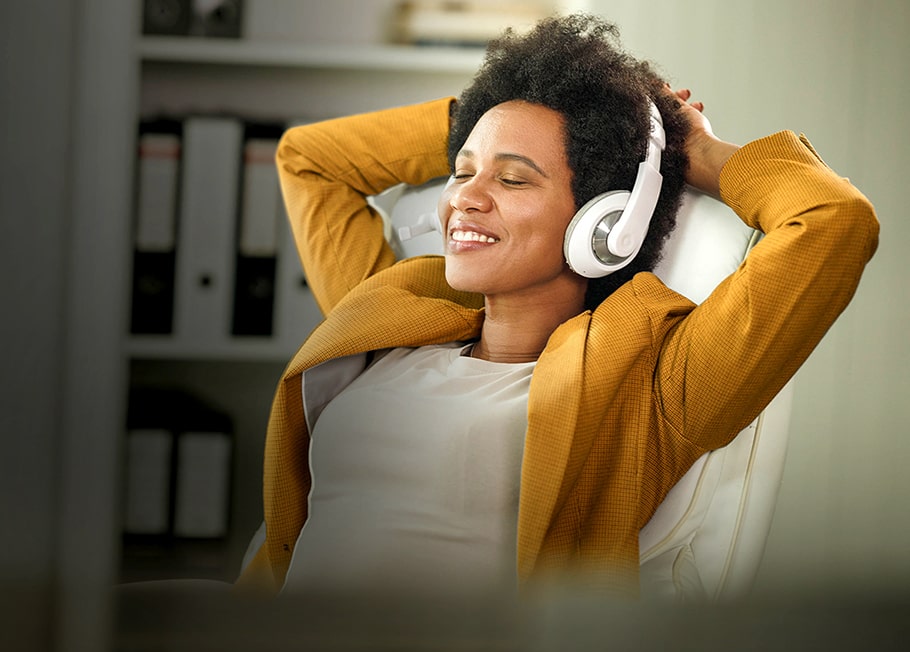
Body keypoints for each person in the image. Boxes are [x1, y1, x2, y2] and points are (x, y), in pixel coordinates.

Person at [236, 14, 878, 598]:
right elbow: (310, 162)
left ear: (607, 220)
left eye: (513, 179)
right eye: (462, 173)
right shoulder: (399, 313)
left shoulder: (648, 387)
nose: (466, 198)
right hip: (277, 648)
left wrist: (688, 154)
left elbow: (834, 223)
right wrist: (500, 115)